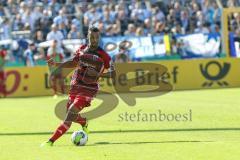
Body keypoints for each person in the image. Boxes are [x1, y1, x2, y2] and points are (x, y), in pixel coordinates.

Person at [41, 26, 116, 147]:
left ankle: (50, 141)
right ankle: (84, 122)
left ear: (99, 37)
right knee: (70, 113)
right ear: (88, 36)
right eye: (92, 37)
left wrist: (98, 74)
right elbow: (72, 62)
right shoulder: (81, 49)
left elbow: (114, 74)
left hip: (89, 89)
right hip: (76, 85)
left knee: (70, 113)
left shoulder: (104, 56)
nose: (94, 39)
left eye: (96, 37)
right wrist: (56, 64)